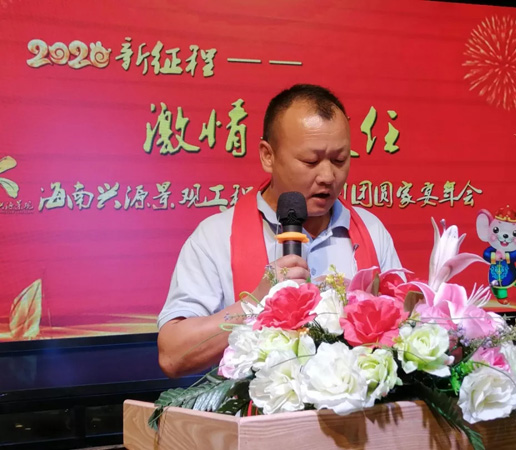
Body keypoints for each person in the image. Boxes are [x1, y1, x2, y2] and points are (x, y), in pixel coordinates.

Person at [157, 84, 403, 378]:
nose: (328, 176)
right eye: (310, 161)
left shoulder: (370, 231)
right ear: (267, 156)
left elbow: (405, 332)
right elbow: (172, 355)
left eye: (339, 160)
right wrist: (256, 303)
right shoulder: (216, 237)